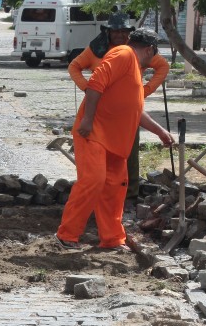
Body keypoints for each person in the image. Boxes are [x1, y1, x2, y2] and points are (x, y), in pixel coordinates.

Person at [56, 28, 174, 251]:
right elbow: (94, 86)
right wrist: (87, 121)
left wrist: (160, 131)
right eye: (155, 53)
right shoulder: (123, 55)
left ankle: (112, 239)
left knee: (114, 190)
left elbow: (134, 110)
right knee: (94, 180)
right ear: (149, 49)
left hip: (115, 142)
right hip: (94, 133)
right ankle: (67, 235)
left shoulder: (134, 69)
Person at [68, 13, 168, 197]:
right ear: (108, 32)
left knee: (126, 153)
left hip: (125, 112)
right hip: (100, 113)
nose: (120, 35)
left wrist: (145, 91)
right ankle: (96, 193)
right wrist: (86, 87)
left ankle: (127, 192)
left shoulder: (138, 52)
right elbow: (75, 67)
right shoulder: (98, 50)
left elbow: (162, 65)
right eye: (116, 32)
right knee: (97, 163)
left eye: (124, 32)